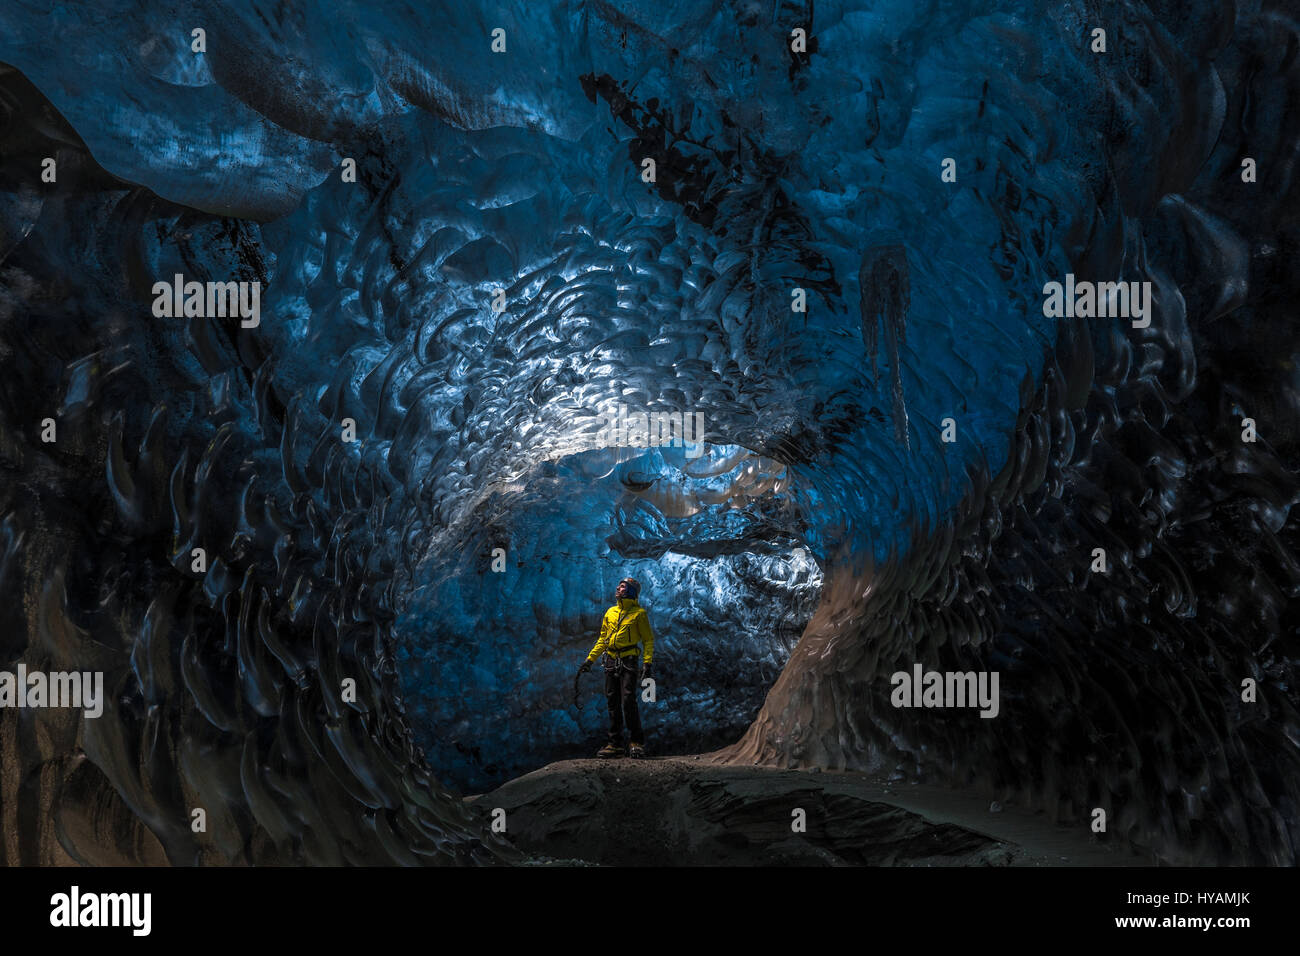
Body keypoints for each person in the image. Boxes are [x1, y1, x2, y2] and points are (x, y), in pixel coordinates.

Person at [577, 577, 655, 758]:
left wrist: (647, 663)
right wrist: (590, 660)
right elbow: (603, 639)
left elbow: (648, 640)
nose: (618, 589)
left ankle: (636, 742)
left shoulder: (639, 614)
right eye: (619, 586)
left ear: (631, 592)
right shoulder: (610, 612)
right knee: (612, 702)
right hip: (610, 660)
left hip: (629, 660)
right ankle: (616, 744)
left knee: (628, 700)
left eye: (622, 587)